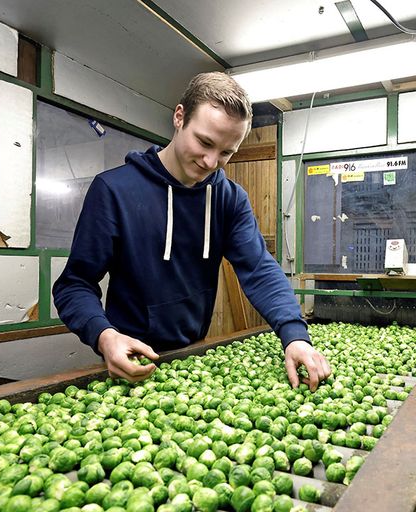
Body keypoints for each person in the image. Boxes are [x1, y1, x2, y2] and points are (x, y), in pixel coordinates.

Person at [53, 72, 330, 389]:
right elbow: (73, 285)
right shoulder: (114, 191)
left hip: (194, 358)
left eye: (227, 152)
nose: (212, 161)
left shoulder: (229, 199)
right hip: (129, 364)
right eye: (205, 142)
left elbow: (259, 269)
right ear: (179, 116)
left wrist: (295, 336)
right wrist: (105, 336)